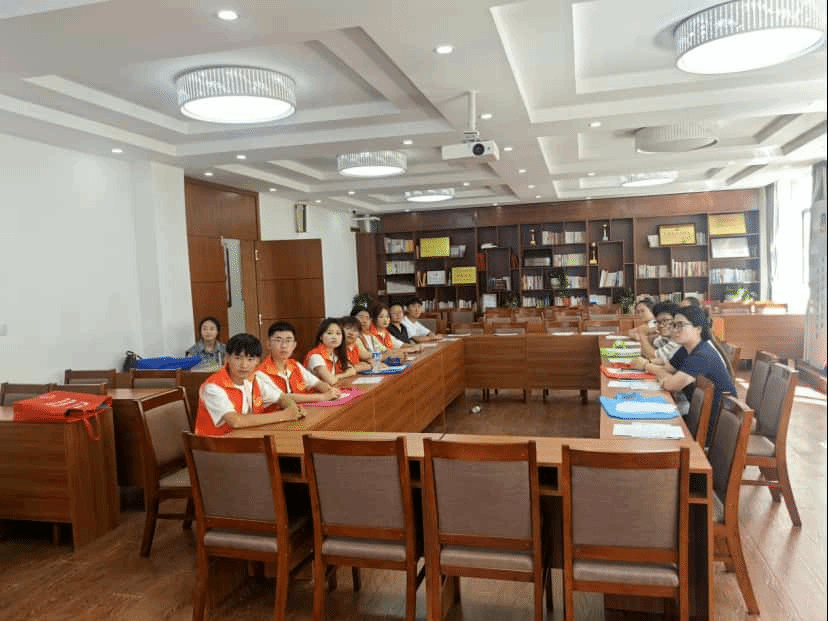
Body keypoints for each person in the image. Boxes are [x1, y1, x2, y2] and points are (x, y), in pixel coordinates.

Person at [642, 306, 736, 445]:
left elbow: (670, 385)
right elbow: (667, 369)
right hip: (699, 418)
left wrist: (646, 366)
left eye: (680, 325)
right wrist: (664, 376)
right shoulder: (685, 349)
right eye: (674, 325)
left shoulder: (702, 355)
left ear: (698, 329)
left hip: (715, 429)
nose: (674, 330)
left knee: (650, 430)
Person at [194, 333, 304, 436]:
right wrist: (285, 415)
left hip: (247, 439)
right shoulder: (213, 387)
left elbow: (281, 398)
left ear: (257, 361)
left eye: (250, 359)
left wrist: (293, 408)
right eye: (238, 358)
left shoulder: (254, 379)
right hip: (215, 445)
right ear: (227, 358)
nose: (244, 365)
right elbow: (236, 421)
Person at [258, 321, 342, 402]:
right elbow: (283, 398)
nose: (284, 345)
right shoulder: (260, 373)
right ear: (269, 344)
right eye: (278, 340)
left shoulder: (295, 365)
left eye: (288, 340)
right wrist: (323, 397)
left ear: (294, 345)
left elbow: (317, 383)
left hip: (304, 409)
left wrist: (331, 391)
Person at [303, 318, 357, 384]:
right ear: (321, 336)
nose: (334, 337)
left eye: (338, 333)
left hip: (331, 388)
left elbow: (352, 370)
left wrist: (338, 376)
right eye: (329, 333)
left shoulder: (335, 353)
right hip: (317, 390)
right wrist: (339, 376)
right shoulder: (316, 356)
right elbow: (331, 380)